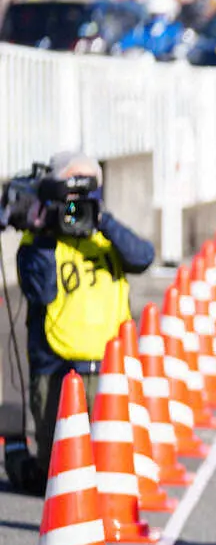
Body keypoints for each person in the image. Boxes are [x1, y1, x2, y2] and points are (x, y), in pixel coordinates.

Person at [14, 152, 154, 493]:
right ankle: (17, 456)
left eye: (83, 196)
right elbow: (43, 291)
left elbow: (143, 256)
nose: (74, 207)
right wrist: (46, 229)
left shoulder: (106, 234)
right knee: (58, 474)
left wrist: (101, 218)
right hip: (56, 366)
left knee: (109, 465)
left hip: (108, 366)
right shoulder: (37, 244)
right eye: (68, 197)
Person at [115, 0, 187, 61]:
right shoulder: (142, 30)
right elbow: (122, 46)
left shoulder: (176, 30)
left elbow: (181, 50)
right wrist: (134, 52)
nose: (158, 19)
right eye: (155, 16)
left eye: (162, 16)